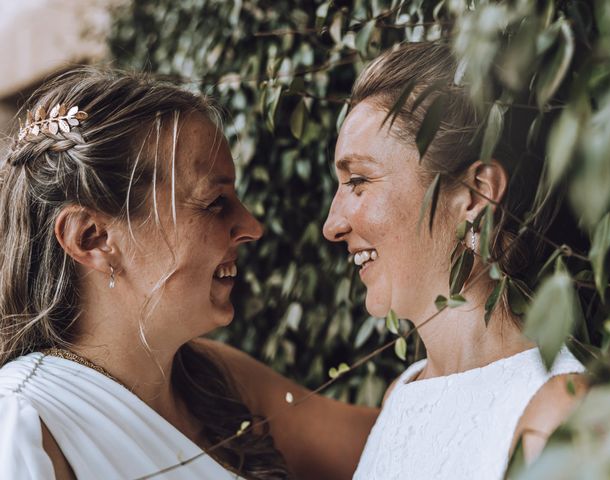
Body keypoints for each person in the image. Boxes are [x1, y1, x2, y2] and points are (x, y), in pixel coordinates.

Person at [0, 68, 377, 480]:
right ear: (93, 238)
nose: (252, 226)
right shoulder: (24, 422)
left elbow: (397, 439)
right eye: (215, 202)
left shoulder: (214, 379)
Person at [322, 42, 588, 479]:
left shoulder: (554, 412)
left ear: (475, 194)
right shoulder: (401, 396)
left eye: (359, 180)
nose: (332, 224)